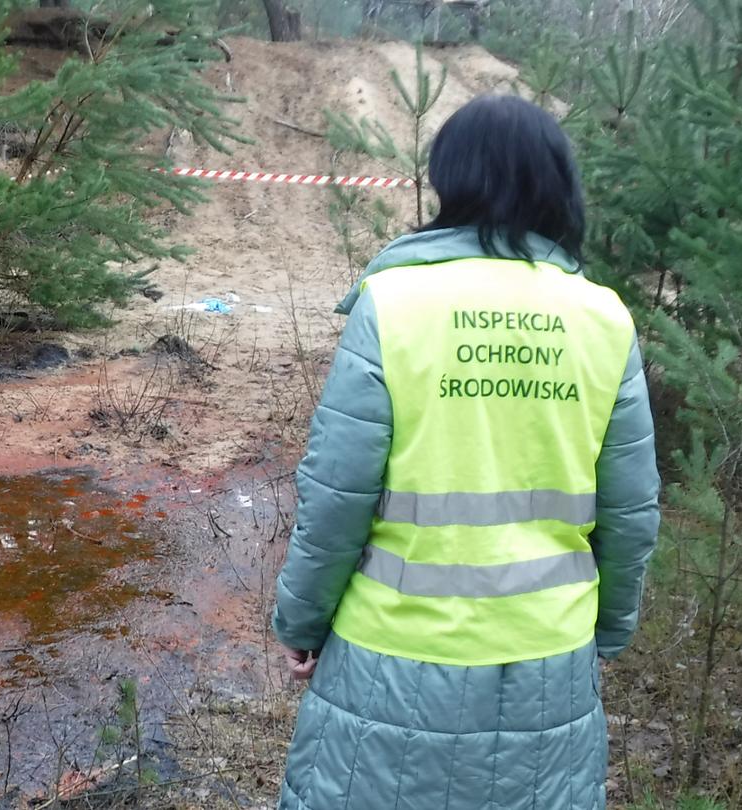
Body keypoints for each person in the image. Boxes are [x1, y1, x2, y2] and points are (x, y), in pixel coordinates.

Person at [271, 95, 660, 810]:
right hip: (549, 656)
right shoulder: (605, 318)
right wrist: (606, 631)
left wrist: (301, 619)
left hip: (391, 656)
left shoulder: (391, 304)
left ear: (452, 180)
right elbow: (632, 513)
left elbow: (336, 497)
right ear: (559, 186)